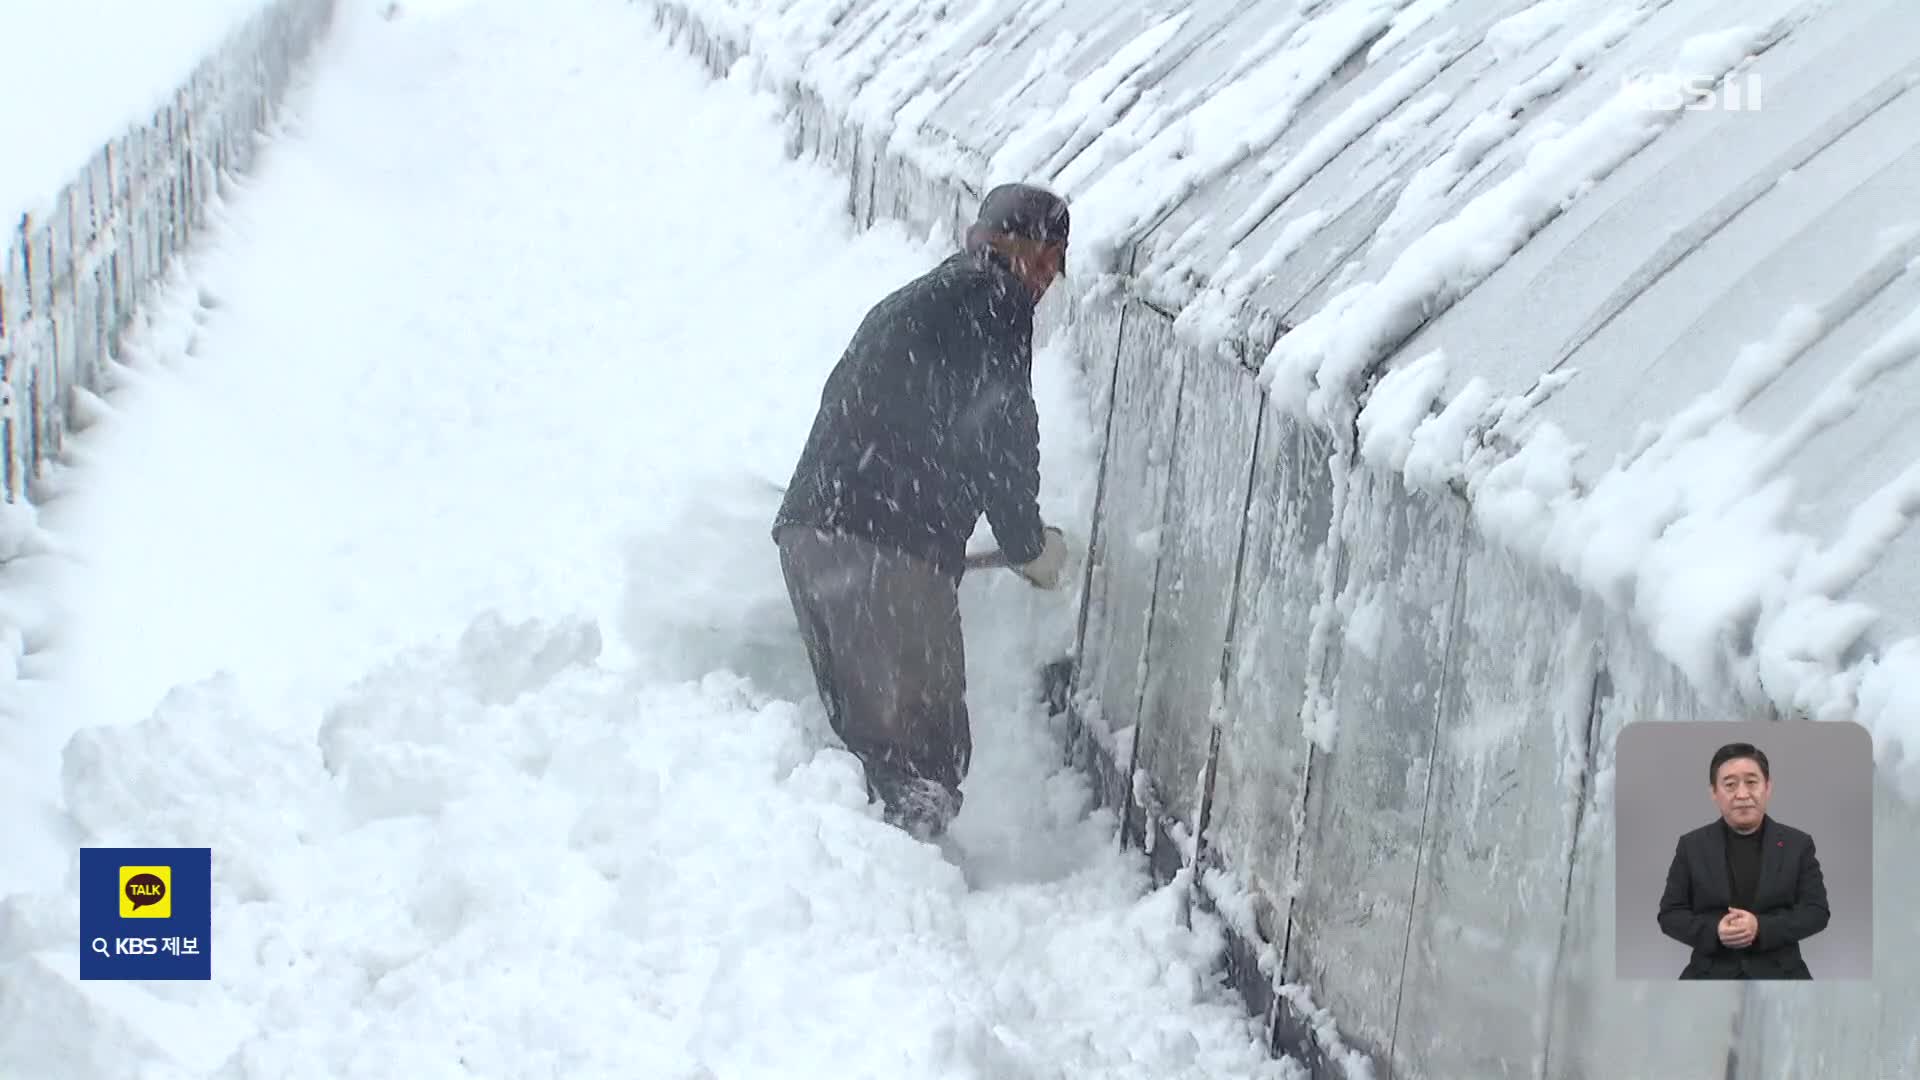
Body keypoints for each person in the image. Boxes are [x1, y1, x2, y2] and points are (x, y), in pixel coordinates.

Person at [771, 183, 1074, 841]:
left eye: (1057, 267)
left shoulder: (924, 299)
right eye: (1045, 258)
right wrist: (1027, 544)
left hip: (812, 535)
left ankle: (889, 892)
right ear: (1003, 246)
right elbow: (1005, 433)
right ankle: (909, 917)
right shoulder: (995, 303)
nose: (1047, 280)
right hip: (883, 543)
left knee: (879, 757)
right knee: (927, 757)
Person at [1656, 741, 1830, 978]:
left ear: (1767, 788)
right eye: (1730, 785)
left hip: (1781, 973)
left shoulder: (1798, 845)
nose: (1742, 794)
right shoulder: (1691, 846)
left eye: (1751, 782)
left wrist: (1761, 927)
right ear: (1714, 793)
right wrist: (1715, 930)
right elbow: (1670, 915)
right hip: (1709, 973)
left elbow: (1817, 912)